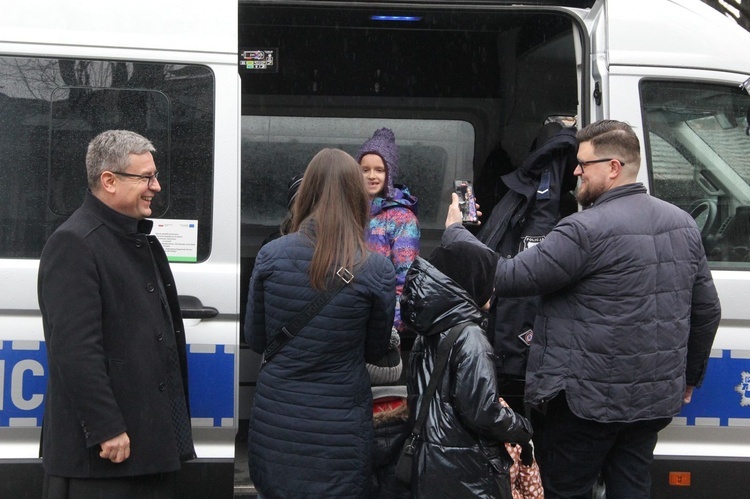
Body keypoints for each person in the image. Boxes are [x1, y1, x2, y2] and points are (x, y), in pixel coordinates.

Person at [442, 120, 722, 499]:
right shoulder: (683, 225)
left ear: (613, 167)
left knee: (565, 491)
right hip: (651, 404)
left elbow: (507, 276)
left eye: (583, 164)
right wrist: (689, 377)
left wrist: (457, 234)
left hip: (583, 407)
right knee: (632, 488)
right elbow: (707, 311)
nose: (575, 171)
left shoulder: (584, 229)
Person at [37, 130, 195, 499]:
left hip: (143, 448)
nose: (156, 186)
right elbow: (76, 350)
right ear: (109, 180)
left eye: (154, 176)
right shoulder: (75, 243)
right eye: (146, 177)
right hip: (104, 460)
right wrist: (106, 427)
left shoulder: (131, 236)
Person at [245, 148, 397, 497]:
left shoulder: (271, 254)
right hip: (339, 427)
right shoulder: (377, 269)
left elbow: (255, 338)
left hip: (278, 419)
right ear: (358, 197)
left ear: (307, 192)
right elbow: (374, 350)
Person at [400, 242, 533, 499]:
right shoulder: (471, 337)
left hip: (430, 465)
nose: (493, 289)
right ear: (472, 282)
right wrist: (521, 427)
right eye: (489, 280)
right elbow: (483, 413)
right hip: (468, 472)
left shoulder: (427, 332)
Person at [357, 128, 420, 338]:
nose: (372, 176)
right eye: (365, 170)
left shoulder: (402, 218)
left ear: (389, 173)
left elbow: (404, 279)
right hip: (347, 317)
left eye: (379, 170)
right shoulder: (347, 208)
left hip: (382, 323)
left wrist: (390, 328)